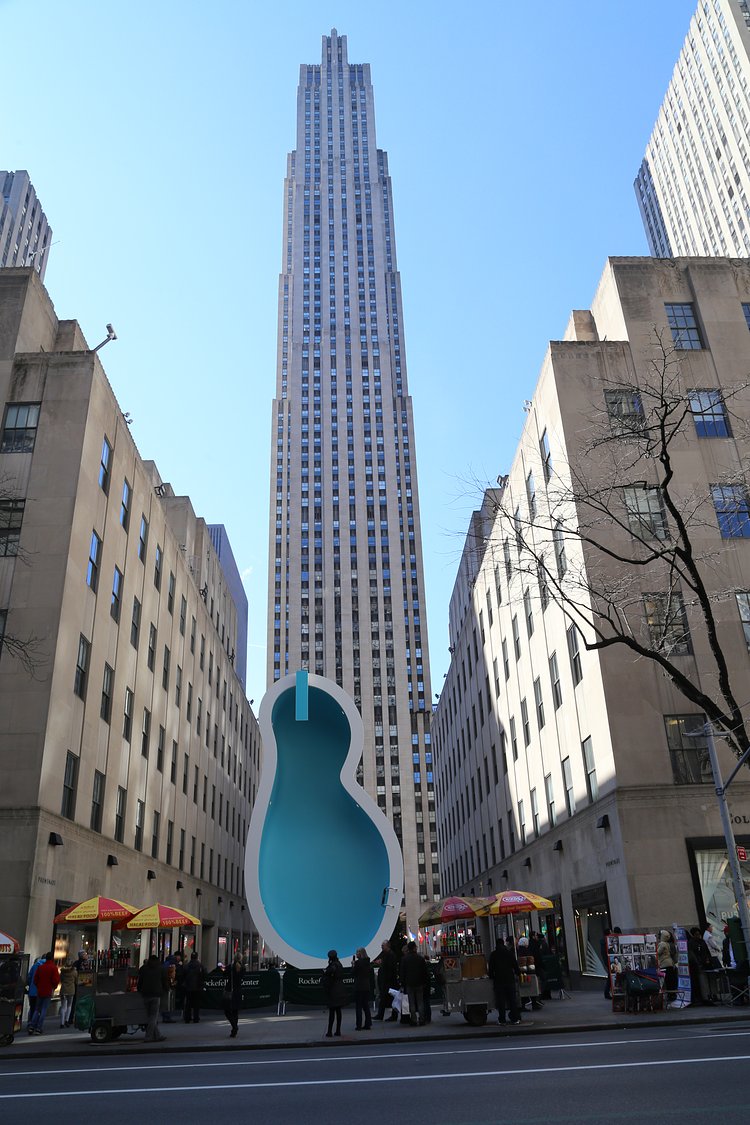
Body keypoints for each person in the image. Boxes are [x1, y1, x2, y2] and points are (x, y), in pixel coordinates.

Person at [488, 937, 521, 1025]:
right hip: (510, 979)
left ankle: (502, 1019)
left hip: (499, 981)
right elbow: (515, 965)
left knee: (501, 1001)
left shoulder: (493, 954)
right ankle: (515, 1019)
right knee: (512, 1000)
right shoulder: (509, 953)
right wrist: (518, 973)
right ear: (503, 944)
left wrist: (491, 976)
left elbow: (490, 969)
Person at [28, 953, 60, 1035]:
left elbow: (35, 979)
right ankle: (39, 1027)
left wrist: (38, 986)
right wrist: (54, 987)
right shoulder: (53, 968)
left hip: (40, 990)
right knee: (44, 1009)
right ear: (52, 959)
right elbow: (56, 980)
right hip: (48, 990)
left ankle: (32, 1025)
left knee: (37, 1009)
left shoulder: (40, 967)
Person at [137, 954, 166, 1042]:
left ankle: (158, 1035)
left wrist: (139, 989)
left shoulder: (143, 969)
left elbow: (140, 981)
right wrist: (166, 989)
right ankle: (148, 1036)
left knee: (150, 1016)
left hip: (145, 994)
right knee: (153, 1017)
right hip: (156, 995)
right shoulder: (161, 968)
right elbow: (164, 981)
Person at [399, 941, 427, 1026]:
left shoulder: (404, 959)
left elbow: (402, 972)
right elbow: (424, 972)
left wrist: (402, 983)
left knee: (411, 1002)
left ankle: (414, 1019)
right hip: (419, 983)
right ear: (414, 948)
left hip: (409, 983)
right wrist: (424, 982)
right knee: (420, 1002)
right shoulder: (420, 958)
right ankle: (422, 1019)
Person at [322, 949, 346, 1037]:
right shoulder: (339, 964)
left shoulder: (333, 966)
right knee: (338, 1011)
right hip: (340, 989)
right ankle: (338, 1030)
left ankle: (329, 1031)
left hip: (333, 990)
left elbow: (329, 973)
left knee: (332, 1011)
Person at [688, 926, 714, 1005]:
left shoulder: (702, 942)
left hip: (703, 964)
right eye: (696, 934)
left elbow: (706, 951)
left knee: (705, 981)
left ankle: (707, 996)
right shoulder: (691, 943)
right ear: (693, 935)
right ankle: (704, 997)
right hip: (697, 965)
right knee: (701, 981)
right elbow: (692, 955)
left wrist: (708, 959)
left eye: (699, 934)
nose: (698, 936)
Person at [373, 940, 399, 1021]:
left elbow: (390, 969)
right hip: (387, 981)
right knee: (385, 999)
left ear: (387, 946)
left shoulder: (390, 955)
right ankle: (381, 1015)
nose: (381, 947)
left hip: (389, 981)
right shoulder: (387, 955)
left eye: (383, 945)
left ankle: (389, 1015)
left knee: (390, 998)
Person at [352, 947, 373, 1030]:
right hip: (366, 986)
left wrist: (353, 965)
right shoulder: (367, 962)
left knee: (359, 1007)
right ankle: (368, 1023)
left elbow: (353, 973)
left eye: (357, 952)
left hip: (359, 986)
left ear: (360, 953)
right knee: (366, 1006)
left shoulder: (358, 963)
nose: (356, 954)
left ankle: (359, 1025)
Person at [223, 956, 244, 1038]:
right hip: (238, 991)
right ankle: (234, 1029)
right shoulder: (242, 968)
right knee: (235, 1011)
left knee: (227, 1010)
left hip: (230, 991)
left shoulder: (229, 967)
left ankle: (234, 1026)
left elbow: (224, 974)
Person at [182, 952, 205, 1023]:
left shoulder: (187, 965)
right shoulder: (200, 965)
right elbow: (205, 974)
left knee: (188, 1003)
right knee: (196, 1003)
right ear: (197, 957)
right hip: (197, 986)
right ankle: (196, 1017)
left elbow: (183, 975)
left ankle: (187, 1018)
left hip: (188, 986)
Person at [657, 929, 678, 1004]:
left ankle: (670, 995)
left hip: (664, 964)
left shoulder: (662, 944)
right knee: (671, 980)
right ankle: (672, 994)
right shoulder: (668, 943)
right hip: (670, 963)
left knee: (667, 980)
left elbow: (658, 952)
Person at [25, 954, 45, 1029]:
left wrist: (29, 985)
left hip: (32, 991)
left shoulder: (34, 966)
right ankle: (35, 1024)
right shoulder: (45, 967)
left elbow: (29, 978)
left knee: (32, 1008)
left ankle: (29, 1022)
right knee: (38, 1009)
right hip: (40, 991)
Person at [58, 959, 77, 1027]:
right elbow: (76, 980)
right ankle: (67, 1020)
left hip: (63, 989)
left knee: (63, 1006)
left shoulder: (62, 972)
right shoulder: (74, 972)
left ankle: (62, 1022)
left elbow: (60, 979)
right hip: (71, 989)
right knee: (69, 1005)